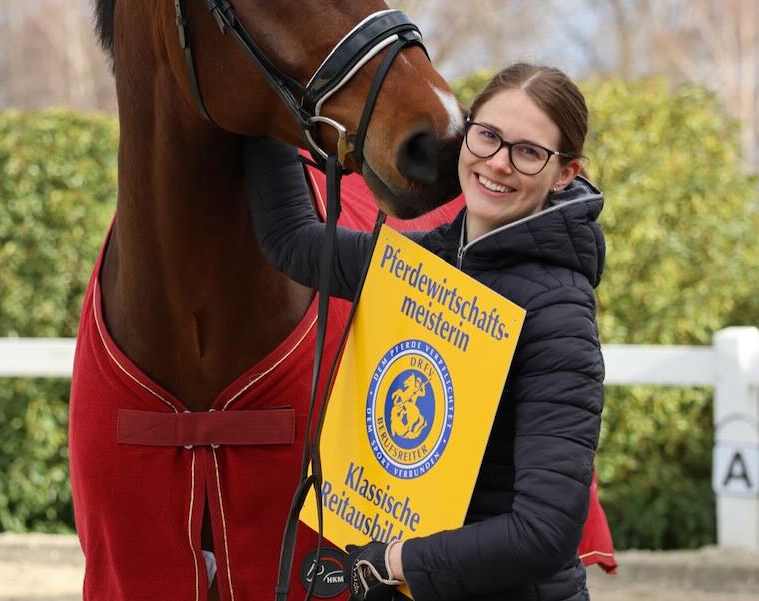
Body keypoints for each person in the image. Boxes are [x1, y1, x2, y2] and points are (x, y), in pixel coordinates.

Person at [244, 63, 605, 601]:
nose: (498, 163)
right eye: (487, 136)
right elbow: (293, 242)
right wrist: (256, 95)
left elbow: (544, 533)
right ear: (466, 134)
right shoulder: (417, 267)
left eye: (528, 152)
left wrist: (395, 560)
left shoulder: (559, 316)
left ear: (564, 174)